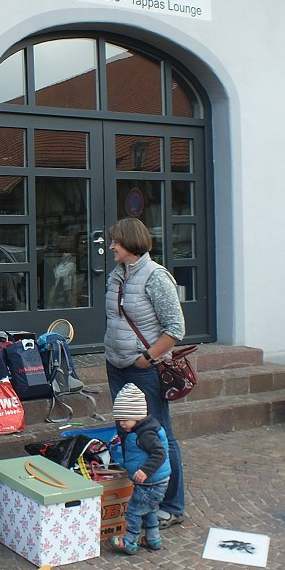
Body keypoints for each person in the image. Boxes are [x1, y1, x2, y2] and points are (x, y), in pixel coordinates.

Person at [104, 216, 187, 529]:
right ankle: (142, 495)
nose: (111, 246)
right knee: (128, 432)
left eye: (116, 241)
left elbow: (175, 328)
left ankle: (172, 504)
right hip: (117, 365)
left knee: (158, 435)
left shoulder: (156, 276)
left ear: (131, 244)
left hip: (143, 370)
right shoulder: (116, 276)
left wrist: (148, 359)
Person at [108, 383, 170, 554]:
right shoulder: (144, 428)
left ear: (137, 416)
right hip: (155, 481)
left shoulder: (146, 435)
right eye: (119, 420)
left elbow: (159, 454)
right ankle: (153, 538)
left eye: (124, 420)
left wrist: (145, 471)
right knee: (149, 509)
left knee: (134, 511)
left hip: (150, 482)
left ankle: (129, 540)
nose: (121, 424)